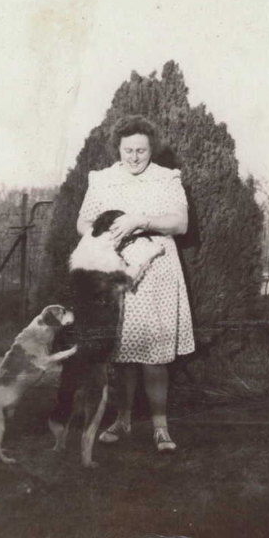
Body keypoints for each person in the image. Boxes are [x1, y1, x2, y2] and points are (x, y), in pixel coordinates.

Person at [76, 114, 195, 449]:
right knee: (123, 353)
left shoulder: (167, 179)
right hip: (116, 269)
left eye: (141, 150)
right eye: (128, 149)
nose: (134, 156)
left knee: (155, 355)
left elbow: (180, 223)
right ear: (119, 148)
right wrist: (108, 233)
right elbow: (83, 223)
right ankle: (123, 420)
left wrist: (141, 221)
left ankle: (161, 427)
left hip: (157, 270)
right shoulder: (102, 180)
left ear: (150, 149)